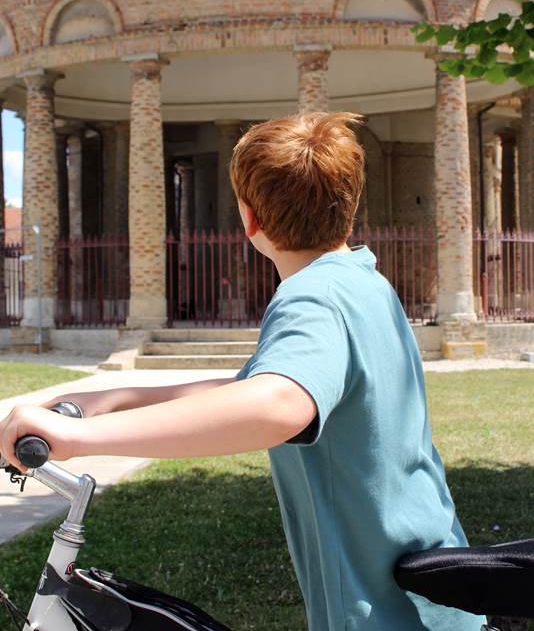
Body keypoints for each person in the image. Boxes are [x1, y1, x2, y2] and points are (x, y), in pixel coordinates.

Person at [0, 111, 484, 631]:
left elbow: (277, 404)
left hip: (384, 615)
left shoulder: (312, 296)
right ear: (350, 205)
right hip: (430, 596)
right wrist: (114, 398)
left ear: (248, 219)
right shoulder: (361, 281)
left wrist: (81, 436)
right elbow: (250, 386)